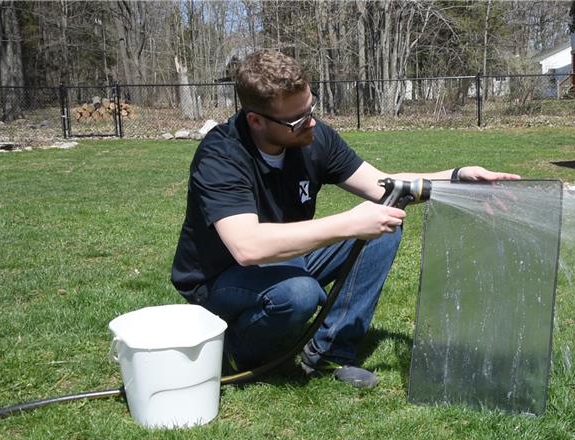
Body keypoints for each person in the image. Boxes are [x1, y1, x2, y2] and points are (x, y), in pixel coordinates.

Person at [171, 50, 520, 388]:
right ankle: (234, 350)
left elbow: (384, 184)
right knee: (299, 293)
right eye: (297, 120)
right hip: (219, 280)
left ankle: (328, 352)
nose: (312, 122)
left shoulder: (314, 137)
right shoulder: (222, 155)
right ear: (256, 120)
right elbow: (246, 247)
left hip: (285, 259)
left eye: (312, 108)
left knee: (384, 225)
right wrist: (349, 224)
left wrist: (458, 180)